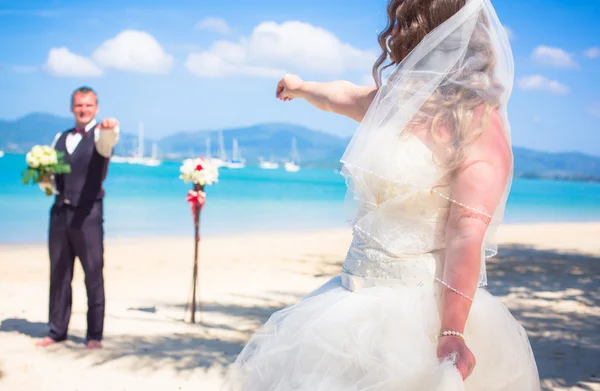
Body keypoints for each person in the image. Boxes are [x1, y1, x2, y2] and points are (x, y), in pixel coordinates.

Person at [222, 0, 540, 390]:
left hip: (421, 311)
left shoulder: (478, 126)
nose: (392, 35)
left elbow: (466, 233)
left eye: (401, 24)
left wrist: (451, 331)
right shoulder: (398, 105)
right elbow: (341, 96)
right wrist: (302, 88)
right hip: (347, 300)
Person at [36, 86, 120, 350]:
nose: (83, 110)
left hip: (89, 215)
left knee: (93, 273)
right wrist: (44, 179)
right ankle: (57, 330)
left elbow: (108, 141)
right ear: (72, 108)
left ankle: (94, 335)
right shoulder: (60, 137)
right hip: (59, 212)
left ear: (96, 108)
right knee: (59, 273)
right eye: (79, 105)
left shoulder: (100, 136)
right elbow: (49, 180)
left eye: (88, 105)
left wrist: (109, 128)